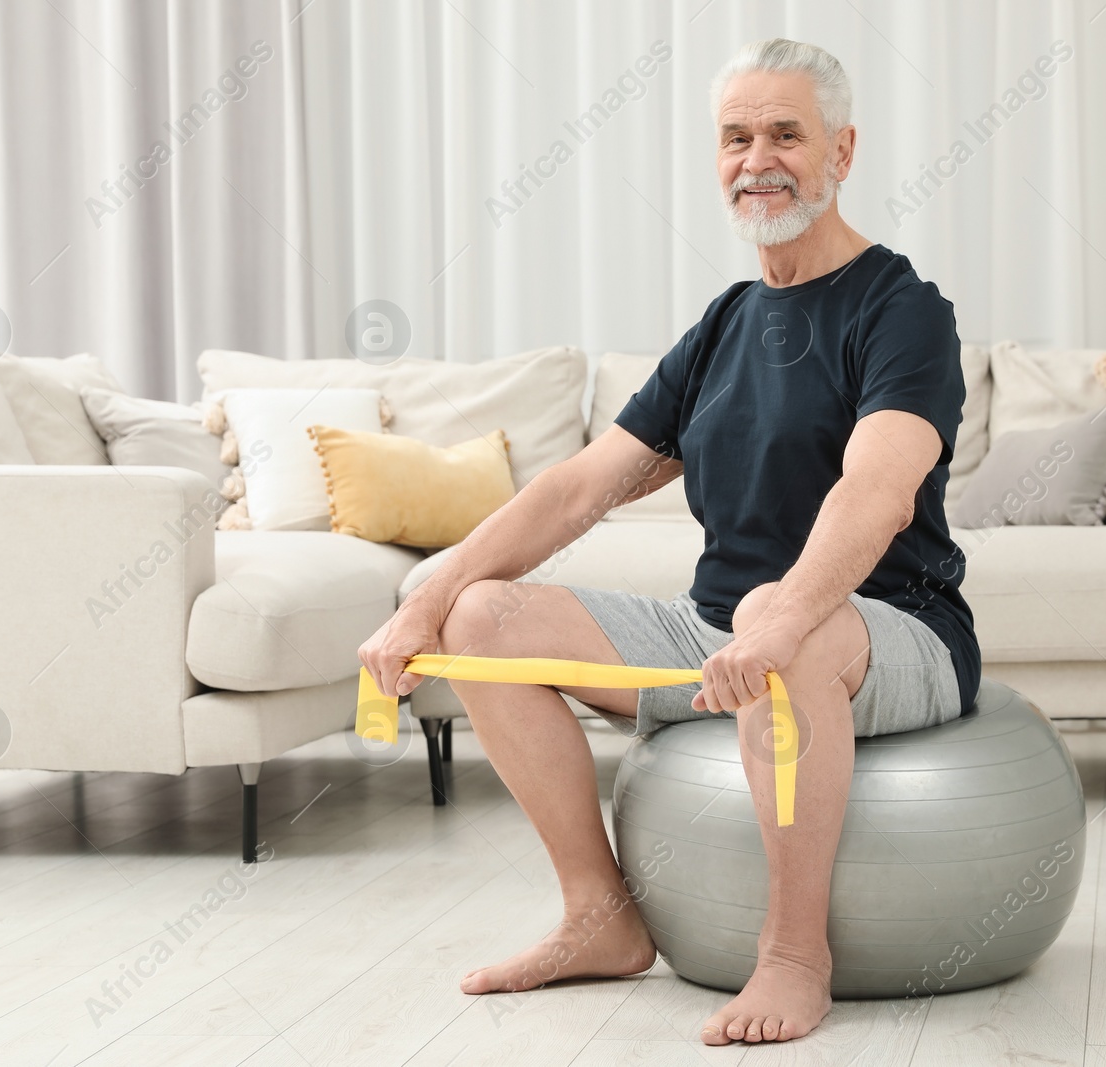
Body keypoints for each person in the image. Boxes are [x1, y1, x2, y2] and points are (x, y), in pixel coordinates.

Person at [358, 37, 979, 1046]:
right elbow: (575, 488)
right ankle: (598, 917)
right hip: (719, 630)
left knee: (802, 634)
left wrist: (783, 613)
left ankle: (791, 952)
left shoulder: (901, 310)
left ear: (843, 149)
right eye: (736, 138)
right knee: (483, 614)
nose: (757, 159)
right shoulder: (726, 323)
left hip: (890, 630)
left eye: (786, 133)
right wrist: (429, 589)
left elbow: (878, 491)